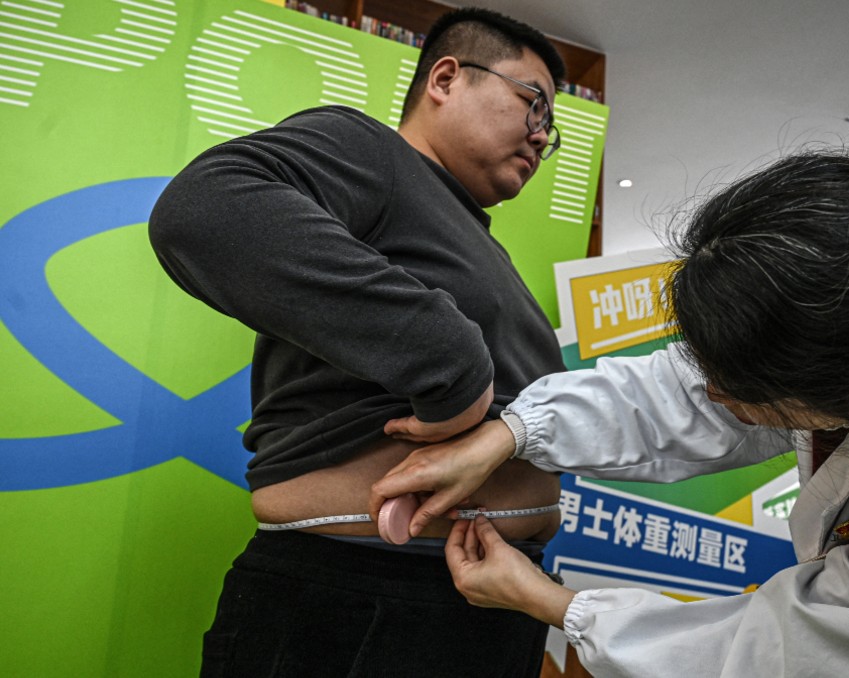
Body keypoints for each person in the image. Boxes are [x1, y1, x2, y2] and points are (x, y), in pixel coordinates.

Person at [371, 152, 849, 677]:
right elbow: (669, 394)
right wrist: (511, 432)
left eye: (734, 386)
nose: (708, 393)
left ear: (837, 396)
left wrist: (550, 603)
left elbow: (784, 653)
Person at [149, 7, 570, 676]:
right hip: (364, 602)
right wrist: (451, 363)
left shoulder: (477, 241)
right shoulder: (371, 151)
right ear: (446, 78)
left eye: (553, 127)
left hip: (487, 605)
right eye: (533, 103)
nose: (542, 137)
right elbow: (205, 209)